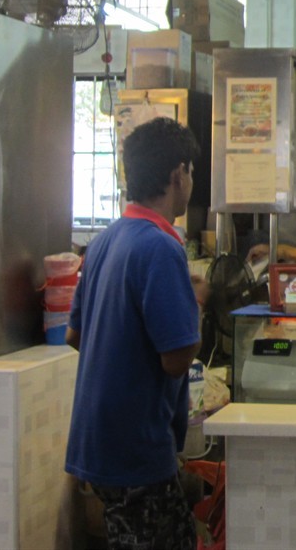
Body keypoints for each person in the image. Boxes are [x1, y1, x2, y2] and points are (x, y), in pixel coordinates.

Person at [64, 116, 201, 550]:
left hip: (97, 442)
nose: (191, 180)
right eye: (192, 172)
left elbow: (74, 334)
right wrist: (195, 304)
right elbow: (177, 357)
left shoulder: (106, 240)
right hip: (136, 450)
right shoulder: (160, 247)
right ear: (178, 174)